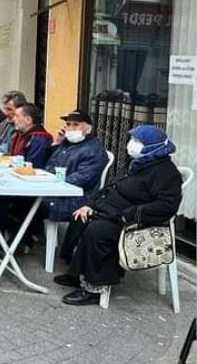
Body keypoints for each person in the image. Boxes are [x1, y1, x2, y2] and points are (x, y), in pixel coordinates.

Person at [55, 125, 182, 306]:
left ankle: (95, 288)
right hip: (111, 213)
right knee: (80, 216)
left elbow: (167, 206)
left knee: (97, 230)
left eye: (137, 141)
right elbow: (110, 188)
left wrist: (129, 215)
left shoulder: (166, 173)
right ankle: (78, 274)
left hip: (135, 222)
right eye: (132, 140)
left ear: (152, 146)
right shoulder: (135, 163)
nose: (131, 144)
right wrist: (91, 205)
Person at [44, 110, 109, 227]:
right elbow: (49, 166)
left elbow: (84, 178)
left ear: (88, 129)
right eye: (68, 125)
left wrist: (54, 180)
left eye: (76, 124)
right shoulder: (66, 144)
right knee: (20, 201)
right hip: (58, 192)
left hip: (76, 199)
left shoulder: (93, 149)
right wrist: (57, 143)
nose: (70, 128)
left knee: (27, 204)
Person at [10, 103, 53, 169]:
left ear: (28, 120)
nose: (13, 119)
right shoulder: (22, 134)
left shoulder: (40, 139)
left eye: (17, 116)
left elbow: (33, 166)